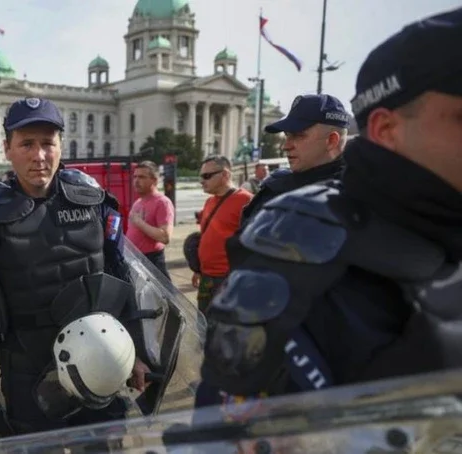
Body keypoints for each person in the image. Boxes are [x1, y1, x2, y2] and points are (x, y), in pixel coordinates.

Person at [200, 6, 462, 405]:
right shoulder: (296, 241)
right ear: (386, 129)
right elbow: (223, 419)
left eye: (297, 135)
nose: (286, 145)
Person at [0, 98, 151, 454]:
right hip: (30, 378)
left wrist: (137, 353)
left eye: (48, 143)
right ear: (7, 149)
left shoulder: (92, 202)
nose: (39, 156)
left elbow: (121, 279)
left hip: (102, 366)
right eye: (27, 144)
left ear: (60, 146)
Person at [238, 94, 349, 228]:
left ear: (331, 141)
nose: (286, 146)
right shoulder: (275, 189)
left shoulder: (360, 197)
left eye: (298, 135)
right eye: (287, 135)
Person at [193, 157, 252, 313]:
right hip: (206, 278)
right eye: (201, 176)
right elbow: (207, 236)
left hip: (228, 280)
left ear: (225, 175)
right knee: (204, 326)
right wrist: (198, 269)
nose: (202, 181)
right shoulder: (209, 202)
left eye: (207, 176)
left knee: (224, 330)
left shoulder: (245, 201)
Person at [126, 160, 174, 279]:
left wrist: (139, 223)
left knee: (159, 297)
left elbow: (165, 237)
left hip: (151, 261)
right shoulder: (138, 202)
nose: (136, 181)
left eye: (142, 177)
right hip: (135, 260)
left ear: (155, 180)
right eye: (135, 176)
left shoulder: (162, 202)